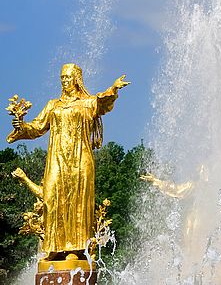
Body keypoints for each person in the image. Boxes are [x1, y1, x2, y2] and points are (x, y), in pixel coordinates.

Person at [7, 63, 129, 260]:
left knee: (77, 201)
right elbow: (37, 128)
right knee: (52, 196)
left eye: (68, 77)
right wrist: (21, 125)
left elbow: (102, 104)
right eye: (62, 77)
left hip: (80, 160)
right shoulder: (53, 105)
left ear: (77, 79)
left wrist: (113, 89)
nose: (64, 80)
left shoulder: (87, 103)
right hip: (57, 159)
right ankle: (54, 247)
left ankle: (75, 248)